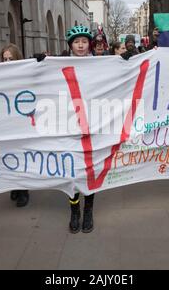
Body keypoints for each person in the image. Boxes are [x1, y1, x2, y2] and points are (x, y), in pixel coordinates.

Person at [64, 25, 95, 233]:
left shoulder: (100, 64)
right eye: (76, 42)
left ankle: (89, 210)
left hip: (94, 124)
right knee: (72, 171)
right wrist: (38, 63)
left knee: (91, 169)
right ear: (70, 45)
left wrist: (127, 59)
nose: (81, 45)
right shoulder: (58, 64)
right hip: (69, 125)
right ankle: (75, 211)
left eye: (84, 41)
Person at [1, 44, 30, 206]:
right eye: (4, 59)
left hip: (22, 124)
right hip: (6, 124)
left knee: (21, 155)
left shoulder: (25, 76)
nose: (7, 62)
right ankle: (14, 185)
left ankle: (23, 189)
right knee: (9, 156)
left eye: (11, 59)